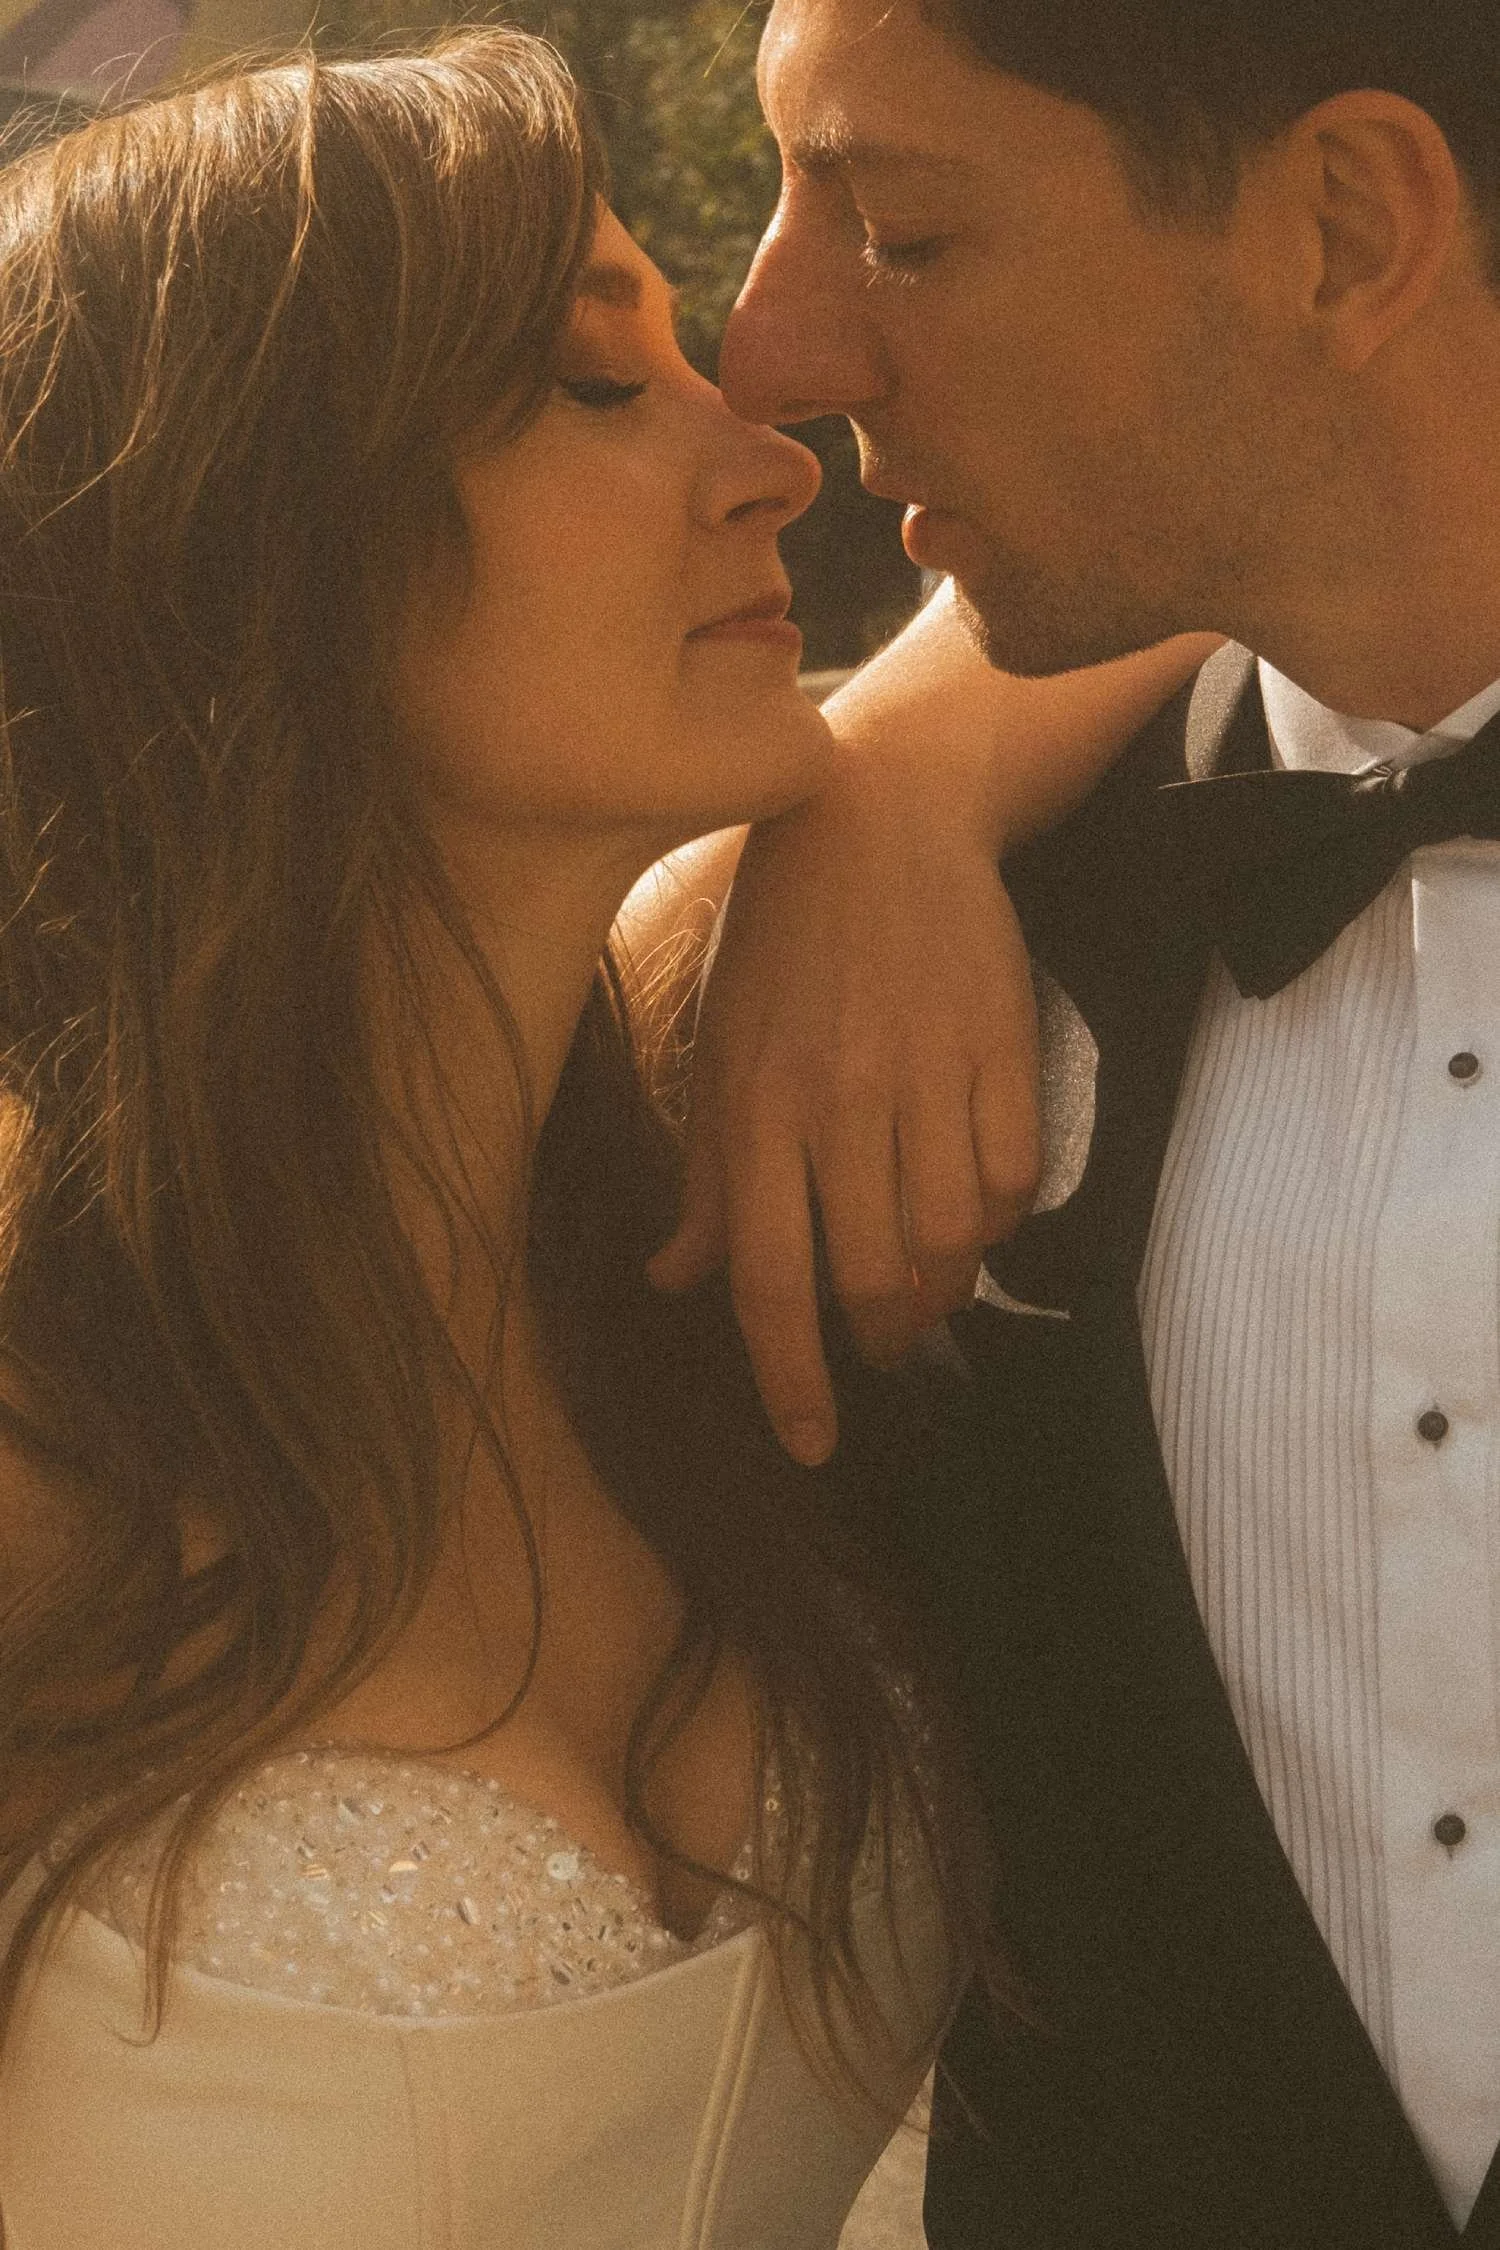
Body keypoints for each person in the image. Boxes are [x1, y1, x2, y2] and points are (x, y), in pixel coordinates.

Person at [0, 31, 1042, 2246]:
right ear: (255, 537)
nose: (769, 460)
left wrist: (908, 782)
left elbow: (1229, 564)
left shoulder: (691, 1195)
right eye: (595, 386)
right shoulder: (38, 1431)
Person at [647, 0, 1500, 2243]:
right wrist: (884, 795)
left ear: (1344, 230)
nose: (772, 350)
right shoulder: (868, 951)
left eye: (900, 228)